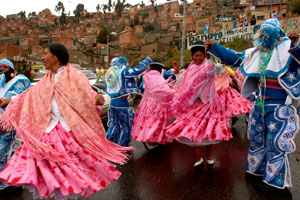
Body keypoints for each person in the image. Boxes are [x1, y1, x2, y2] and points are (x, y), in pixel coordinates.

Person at [0, 43, 132, 199]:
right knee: (49, 172)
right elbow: (30, 94)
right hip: (48, 132)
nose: (42, 58)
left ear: (56, 57)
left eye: (45, 54)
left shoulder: (74, 75)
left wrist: (96, 98)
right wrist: (9, 100)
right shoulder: (46, 79)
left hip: (68, 131)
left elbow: (86, 92)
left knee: (71, 172)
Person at [206, 19, 300, 190]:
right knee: (256, 139)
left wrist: (296, 44)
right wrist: (215, 46)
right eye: (261, 33)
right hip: (259, 103)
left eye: (266, 33)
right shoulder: (255, 52)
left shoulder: (288, 49)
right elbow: (234, 58)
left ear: (275, 33)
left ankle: (274, 181)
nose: (262, 37)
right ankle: (256, 169)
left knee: (275, 142)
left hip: (279, 105)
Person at [164, 41, 232, 167]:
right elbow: (183, 83)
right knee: (195, 131)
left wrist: (208, 57)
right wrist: (178, 72)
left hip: (208, 103)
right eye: (196, 56)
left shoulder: (208, 67)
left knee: (209, 131)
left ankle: (210, 156)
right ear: (192, 56)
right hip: (194, 104)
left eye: (201, 55)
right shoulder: (190, 68)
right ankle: (198, 157)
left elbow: (210, 71)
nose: (198, 58)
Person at [105, 56, 152, 147]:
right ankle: (123, 146)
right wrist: (147, 60)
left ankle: (110, 144)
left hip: (113, 102)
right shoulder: (124, 71)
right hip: (121, 103)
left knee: (114, 124)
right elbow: (137, 70)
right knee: (125, 125)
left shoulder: (111, 72)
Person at [0, 58, 31, 193]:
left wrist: (9, 101)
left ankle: (12, 181)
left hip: (13, 125)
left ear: (11, 69)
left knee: (9, 151)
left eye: (5, 68)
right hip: (2, 125)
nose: (2, 71)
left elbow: (25, 97)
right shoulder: (1, 83)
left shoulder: (20, 81)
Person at [131, 58, 175, 145]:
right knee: (156, 122)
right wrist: (174, 91)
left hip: (147, 103)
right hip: (157, 104)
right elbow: (165, 92)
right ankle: (154, 139)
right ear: (160, 68)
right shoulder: (158, 78)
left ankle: (146, 137)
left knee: (147, 121)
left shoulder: (146, 76)